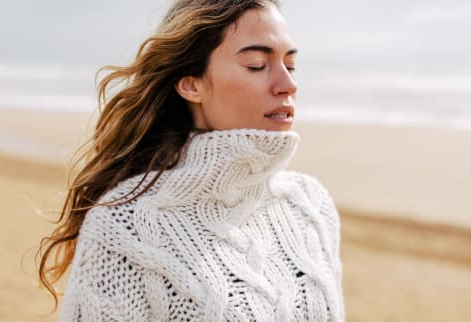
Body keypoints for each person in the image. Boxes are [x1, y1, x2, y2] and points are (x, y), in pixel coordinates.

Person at [38, 0, 345, 321]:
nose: (288, 85)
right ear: (191, 84)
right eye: (257, 64)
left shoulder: (310, 204)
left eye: (291, 65)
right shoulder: (123, 227)